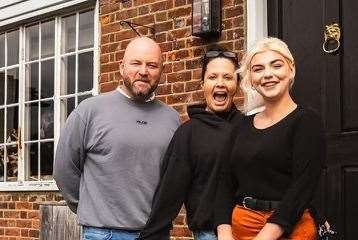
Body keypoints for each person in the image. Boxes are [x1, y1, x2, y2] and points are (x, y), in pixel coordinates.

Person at [53, 37, 180, 240]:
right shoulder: (89, 111)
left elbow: (174, 178)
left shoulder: (172, 118)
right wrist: (92, 209)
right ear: (121, 67)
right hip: (103, 233)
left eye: (152, 65)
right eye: (136, 63)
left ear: (161, 71)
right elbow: (64, 170)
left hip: (156, 234)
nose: (144, 71)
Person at [215, 37, 326, 240]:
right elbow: (224, 182)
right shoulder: (240, 125)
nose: (268, 74)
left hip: (290, 228)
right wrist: (223, 232)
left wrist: (265, 236)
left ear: (290, 69)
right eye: (258, 69)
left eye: (276, 65)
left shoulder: (306, 121)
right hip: (241, 226)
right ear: (251, 77)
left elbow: (302, 187)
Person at [138, 47, 242, 240]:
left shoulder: (248, 128)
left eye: (228, 77)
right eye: (212, 77)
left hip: (250, 231)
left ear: (237, 84)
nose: (220, 83)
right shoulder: (189, 133)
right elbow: (170, 191)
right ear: (203, 85)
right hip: (208, 234)